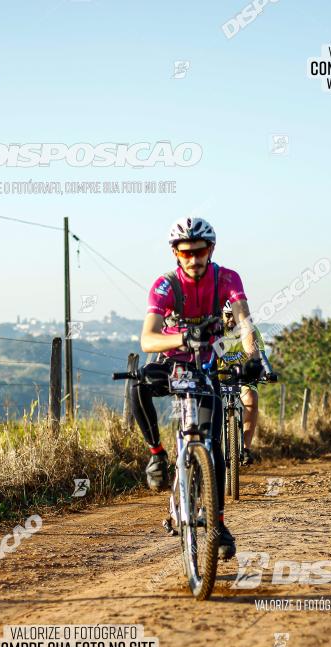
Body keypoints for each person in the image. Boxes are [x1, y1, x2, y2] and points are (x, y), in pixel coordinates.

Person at [131, 216, 257, 560]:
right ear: (175, 253)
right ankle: (156, 456)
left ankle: (217, 525)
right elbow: (148, 338)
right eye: (185, 253)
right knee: (138, 387)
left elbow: (244, 321)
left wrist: (252, 355)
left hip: (204, 365)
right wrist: (183, 336)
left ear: (210, 249)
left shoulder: (227, 278)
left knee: (213, 447)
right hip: (171, 358)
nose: (193, 259)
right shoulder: (165, 285)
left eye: (199, 251)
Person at [217, 301, 276, 464]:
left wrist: (268, 372)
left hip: (241, 376)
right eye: (228, 315)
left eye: (235, 316)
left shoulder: (250, 330)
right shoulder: (215, 330)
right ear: (221, 315)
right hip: (217, 376)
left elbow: (261, 355)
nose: (231, 320)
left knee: (251, 400)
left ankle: (245, 448)